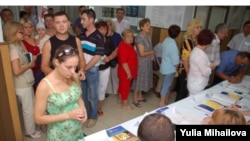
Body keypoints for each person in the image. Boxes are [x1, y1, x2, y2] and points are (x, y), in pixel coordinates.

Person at [34, 45, 87, 140]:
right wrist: (68, 115)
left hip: (77, 131)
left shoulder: (73, 76)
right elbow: (38, 118)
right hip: (59, 135)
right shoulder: (45, 86)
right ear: (57, 62)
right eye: (69, 67)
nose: (73, 71)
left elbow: (78, 98)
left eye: (75, 67)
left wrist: (83, 110)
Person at [3, 21, 41, 138]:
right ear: (14, 32)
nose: (23, 32)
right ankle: (30, 132)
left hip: (26, 82)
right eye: (20, 31)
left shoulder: (18, 45)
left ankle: (30, 129)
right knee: (28, 110)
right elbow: (16, 70)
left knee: (29, 107)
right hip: (22, 84)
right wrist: (29, 65)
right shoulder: (13, 49)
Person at [79, 9, 104, 128]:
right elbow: (79, 53)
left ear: (91, 20)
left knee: (93, 96)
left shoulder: (99, 36)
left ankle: (93, 116)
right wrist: (81, 68)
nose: (81, 21)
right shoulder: (81, 35)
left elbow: (97, 57)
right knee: (82, 94)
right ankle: (86, 115)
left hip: (92, 70)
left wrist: (85, 68)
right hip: (82, 70)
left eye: (84, 19)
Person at [41, 11, 85, 78]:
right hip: (57, 82)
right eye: (58, 22)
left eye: (64, 22)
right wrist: (59, 75)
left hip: (74, 80)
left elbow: (81, 60)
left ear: (69, 23)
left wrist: (82, 70)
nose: (61, 25)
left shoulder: (76, 40)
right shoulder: (48, 43)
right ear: (54, 25)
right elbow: (44, 66)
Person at [175, 19, 203, 101]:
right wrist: (188, 73)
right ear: (192, 29)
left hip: (193, 69)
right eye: (197, 28)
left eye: (200, 27)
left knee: (189, 90)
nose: (199, 29)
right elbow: (185, 60)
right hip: (185, 69)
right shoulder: (187, 41)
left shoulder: (197, 41)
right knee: (182, 90)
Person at [132, 18, 154, 107]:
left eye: (149, 25)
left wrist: (151, 54)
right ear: (142, 27)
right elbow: (141, 53)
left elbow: (150, 48)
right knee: (138, 80)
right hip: (141, 62)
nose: (149, 27)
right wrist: (152, 53)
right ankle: (135, 99)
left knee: (144, 79)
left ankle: (140, 96)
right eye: (147, 25)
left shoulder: (148, 36)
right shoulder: (139, 37)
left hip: (147, 62)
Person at [96, 21, 116, 116]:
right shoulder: (93, 40)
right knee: (93, 88)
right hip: (94, 68)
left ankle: (99, 107)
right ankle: (91, 107)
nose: (103, 31)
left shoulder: (109, 40)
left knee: (102, 88)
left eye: (105, 29)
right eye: (101, 29)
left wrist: (109, 58)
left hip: (105, 68)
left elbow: (114, 52)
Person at [187, 29, 216, 95]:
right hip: (198, 85)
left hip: (193, 81)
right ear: (208, 43)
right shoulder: (200, 55)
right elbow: (205, 72)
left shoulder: (195, 50)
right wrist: (211, 67)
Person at [159, 25, 181, 107]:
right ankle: (161, 103)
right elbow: (175, 61)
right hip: (170, 69)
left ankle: (165, 101)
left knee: (166, 85)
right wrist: (177, 68)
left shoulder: (166, 40)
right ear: (178, 34)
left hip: (164, 66)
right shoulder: (173, 45)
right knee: (166, 85)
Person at [117, 29, 138, 110]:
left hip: (125, 71)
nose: (130, 38)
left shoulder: (127, 45)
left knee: (122, 85)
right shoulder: (123, 47)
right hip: (125, 72)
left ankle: (120, 99)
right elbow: (124, 62)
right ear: (123, 37)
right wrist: (128, 73)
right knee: (125, 87)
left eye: (132, 36)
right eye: (128, 36)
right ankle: (125, 104)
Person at [205, 23, 229, 87]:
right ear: (220, 32)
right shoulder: (214, 41)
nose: (227, 35)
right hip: (209, 68)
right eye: (226, 33)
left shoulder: (216, 40)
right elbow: (211, 58)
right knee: (206, 86)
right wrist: (214, 65)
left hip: (210, 67)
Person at [105, 19, 122, 96]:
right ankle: (108, 91)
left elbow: (120, 47)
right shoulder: (104, 36)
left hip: (116, 59)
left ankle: (116, 91)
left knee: (115, 77)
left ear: (111, 26)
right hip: (106, 59)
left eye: (108, 26)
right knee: (107, 77)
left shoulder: (117, 36)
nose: (107, 28)